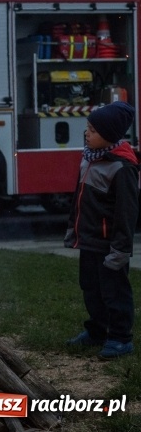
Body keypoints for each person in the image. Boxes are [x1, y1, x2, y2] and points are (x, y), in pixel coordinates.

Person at [64, 101, 138, 360]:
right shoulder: (89, 159)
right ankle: (97, 330)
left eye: (93, 130)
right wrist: (74, 229)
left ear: (108, 135)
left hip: (110, 245)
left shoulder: (122, 168)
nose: (87, 133)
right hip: (90, 240)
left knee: (114, 291)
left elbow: (126, 214)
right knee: (91, 287)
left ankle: (120, 338)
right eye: (87, 128)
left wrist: (120, 251)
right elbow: (79, 198)